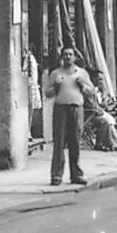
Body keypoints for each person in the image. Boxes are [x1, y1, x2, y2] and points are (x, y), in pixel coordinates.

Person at [45, 47, 93, 186]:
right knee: (59, 142)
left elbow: (91, 92)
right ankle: (56, 175)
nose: (67, 57)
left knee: (75, 142)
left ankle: (76, 175)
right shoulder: (56, 74)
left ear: (74, 58)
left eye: (70, 55)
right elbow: (47, 93)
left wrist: (83, 86)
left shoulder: (81, 73)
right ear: (62, 57)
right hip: (61, 109)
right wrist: (55, 87)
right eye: (65, 55)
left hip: (76, 108)